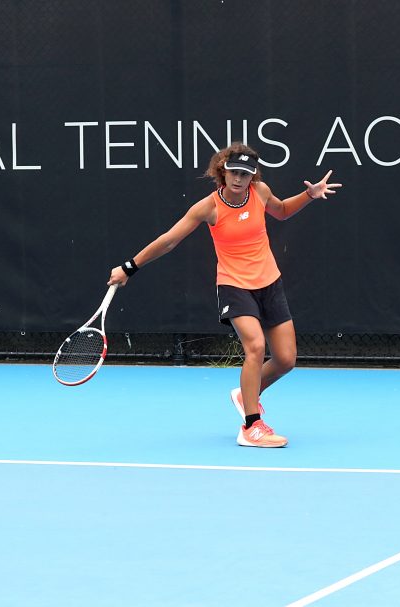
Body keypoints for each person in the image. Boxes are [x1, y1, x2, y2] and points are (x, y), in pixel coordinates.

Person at [108, 142, 340, 448]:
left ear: (253, 175)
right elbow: (168, 241)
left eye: (245, 173)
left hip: (270, 283)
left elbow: (282, 211)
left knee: (285, 360)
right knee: (255, 346)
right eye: (234, 171)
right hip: (234, 285)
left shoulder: (260, 192)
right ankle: (251, 426)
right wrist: (130, 266)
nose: (239, 178)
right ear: (223, 170)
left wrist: (309, 196)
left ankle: (247, 395)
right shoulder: (209, 208)